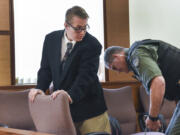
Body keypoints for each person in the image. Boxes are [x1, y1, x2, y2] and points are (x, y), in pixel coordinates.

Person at [29, 6, 111, 135]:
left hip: (90, 110)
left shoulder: (92, 45)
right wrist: (40, 88)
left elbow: (86, 77)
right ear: (66, 25)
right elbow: (46, 69)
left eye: (85, 27)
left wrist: (70, 95)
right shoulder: (51, 40)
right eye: (78, 28)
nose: (82, 32)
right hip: (63, 110)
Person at [104, 39, 180, 135]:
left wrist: (152, 118)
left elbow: (158, 83)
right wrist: (153, 118)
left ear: (116, 56)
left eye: (114, 67)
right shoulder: (139, 55)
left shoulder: (137, 54)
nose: (118, 72)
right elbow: (161, 90)